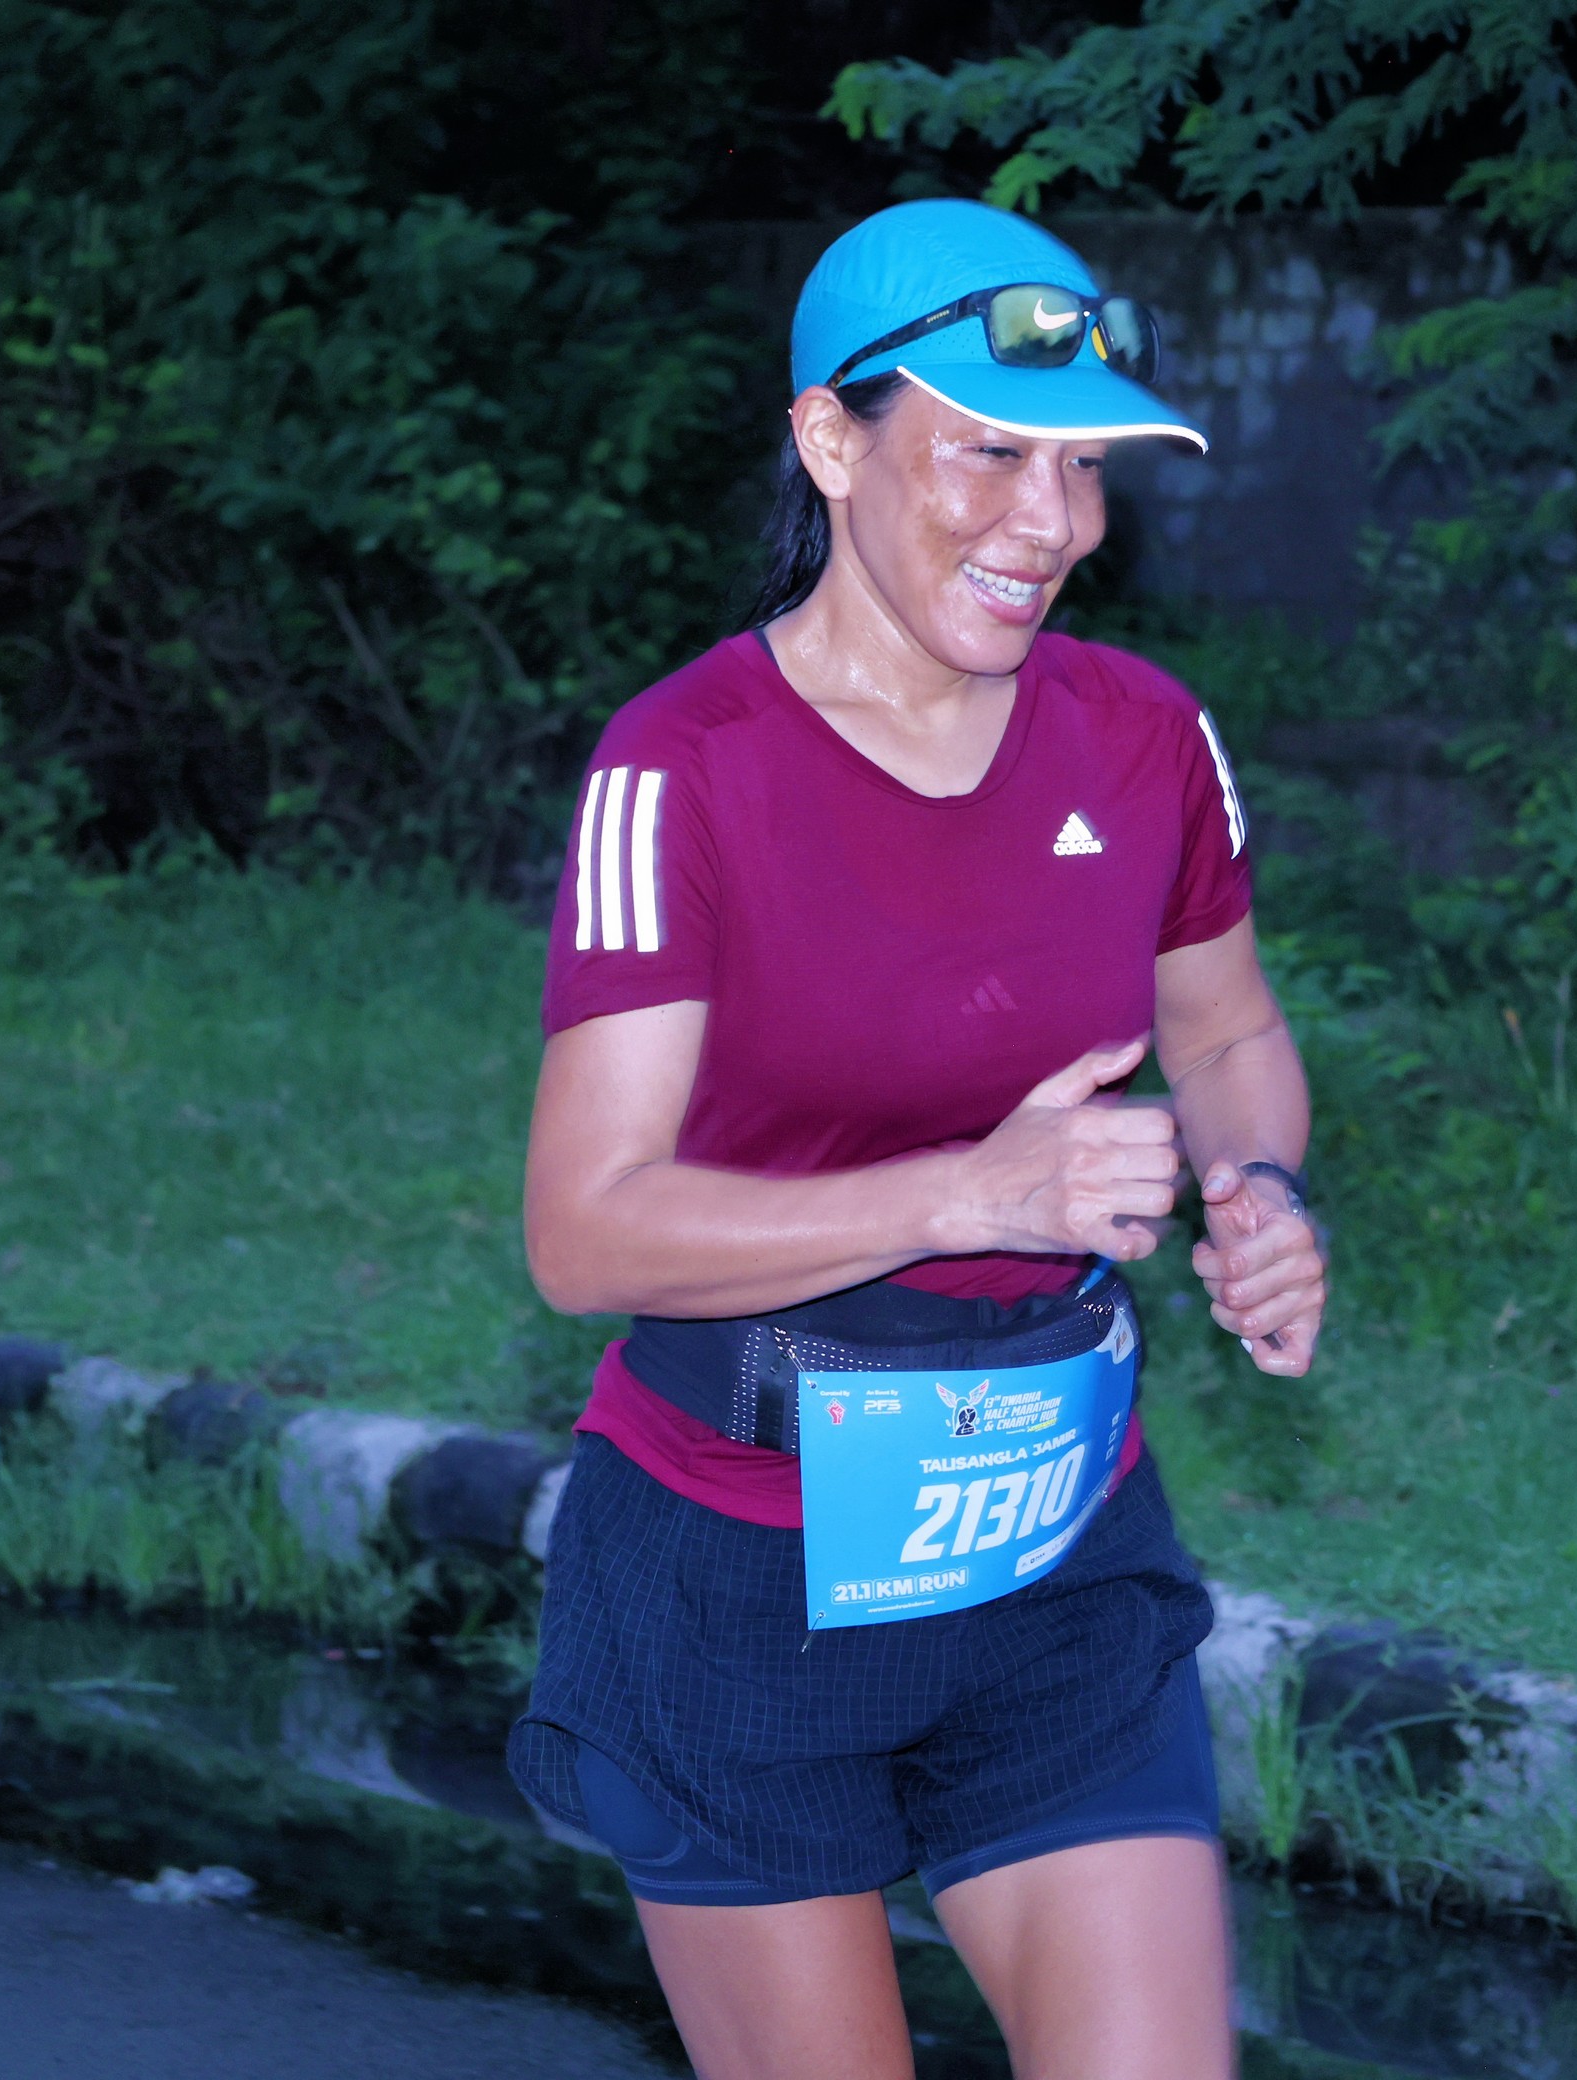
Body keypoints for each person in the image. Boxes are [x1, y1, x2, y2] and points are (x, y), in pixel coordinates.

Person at [512, 198, 1328, 2080]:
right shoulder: (683, 767)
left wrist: (1258, 1189)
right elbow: (584, 1231)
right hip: (740, 1583)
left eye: (1085, 467)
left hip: (1053, 1554)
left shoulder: (1145, 738)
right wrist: (972, 1192)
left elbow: (1227, 1033)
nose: (1056, 522)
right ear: (830, 440)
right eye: (989, 454)